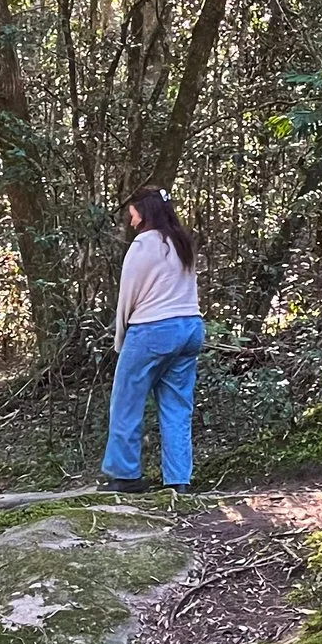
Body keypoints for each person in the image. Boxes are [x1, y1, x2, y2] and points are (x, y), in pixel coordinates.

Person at [100, 186, 203, 492]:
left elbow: (127, 297)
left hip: (152, 329)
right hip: (190, 327)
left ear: (143, 211)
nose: (130, 218)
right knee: (176, 407)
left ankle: (126, 474)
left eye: (132, 211)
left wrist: (121, 339)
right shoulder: (181, 242)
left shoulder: (144, 245)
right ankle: (178, 480)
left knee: (126, 401)